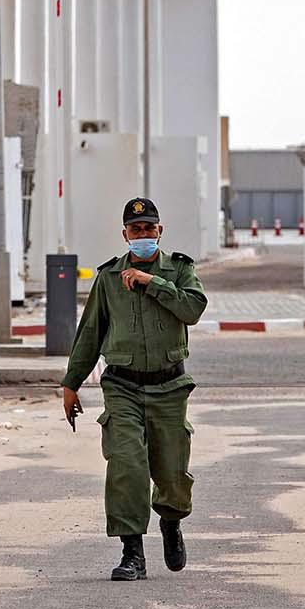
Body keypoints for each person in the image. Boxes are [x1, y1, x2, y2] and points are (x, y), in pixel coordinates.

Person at [62, 197, 208, 582]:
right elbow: (90, 333)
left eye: (149, 228)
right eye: (135, 229)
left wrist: (152, 282)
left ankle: (171, 522)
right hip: (123, 386)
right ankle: (132, 553)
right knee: (126, 465)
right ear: (124, 234)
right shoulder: (109, 278)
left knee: (172, 472)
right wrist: (70, 384)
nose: (142, 234)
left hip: (170, 386)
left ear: (160, 231)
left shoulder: (179, 270)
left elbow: (193, 309)